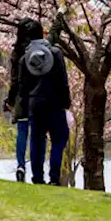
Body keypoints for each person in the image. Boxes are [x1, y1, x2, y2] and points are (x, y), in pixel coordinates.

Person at [19, 19, 71, 185]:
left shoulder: (24, 59)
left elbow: (23, 87)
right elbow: (63, 80)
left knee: (37, 141)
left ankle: (37, 178)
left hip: (36, 106)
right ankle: (54, 178)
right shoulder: (55, 53)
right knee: (59, 139)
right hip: (55, 103)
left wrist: (27, 107)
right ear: (42, 33)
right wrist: (66, 101)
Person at [5, 19, 43, 183]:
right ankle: (37, 168)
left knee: (22, 131)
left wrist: (11, 99)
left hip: (22, 96)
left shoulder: (17, 52)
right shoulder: (40, 49)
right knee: (36, 134)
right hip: (39, 96)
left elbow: (14, 79)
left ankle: (21, 165)